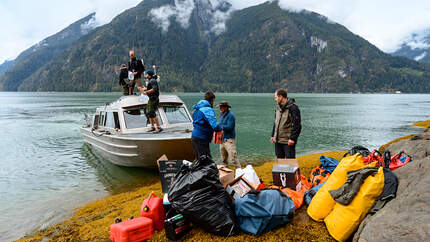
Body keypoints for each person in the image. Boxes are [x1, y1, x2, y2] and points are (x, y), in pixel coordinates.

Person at [270, 88, 302, 158]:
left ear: (281, 97)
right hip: (278, 140)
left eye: (276, 97)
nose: (275, 99)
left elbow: (297, 125)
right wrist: (273, 135)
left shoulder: (293, 108)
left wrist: (292, 138)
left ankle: (295, 169)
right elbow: (276, 122)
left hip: (288, 141)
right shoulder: (277, 108)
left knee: (290, 163)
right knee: (280, 162)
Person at [191, 91, 221, 159]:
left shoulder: (197, 109)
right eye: (213, 100)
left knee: (199, 160)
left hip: (195, 137)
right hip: (201, 138)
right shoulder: (207, 109)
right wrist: (220, 128)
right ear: (212, 100)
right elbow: (215, 126)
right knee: (206, 161)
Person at [218, 101, 240, 168]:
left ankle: (240, 172)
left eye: (221, 107)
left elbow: (230, 127)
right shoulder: (221, 114)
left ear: (226, 107)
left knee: (233, 159)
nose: (220, 108)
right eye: (220, 107)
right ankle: (226, 173)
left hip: (229, 140)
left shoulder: (231, 115)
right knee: (224, 159)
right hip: (222, 139)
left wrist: (221, 127)